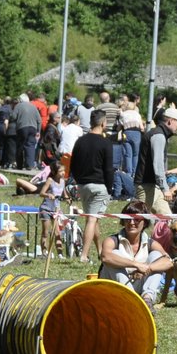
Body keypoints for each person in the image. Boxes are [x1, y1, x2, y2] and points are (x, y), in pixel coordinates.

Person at [98, 199, 173, 308]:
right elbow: (105, 257)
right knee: (115, 253)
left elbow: (168, 262)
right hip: (114, 288)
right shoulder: (112, 240)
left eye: (137, 219)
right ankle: (131, 299)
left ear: (145, 222)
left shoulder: (151, 243)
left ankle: (147, 299)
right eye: (128, 219)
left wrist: (148, 268)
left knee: (157, 256)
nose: (132, 223)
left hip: (137, 284)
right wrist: (136, 264)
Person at [70, 108, 116, 261]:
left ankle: (100, 251)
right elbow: (109, 169)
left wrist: (79, 182)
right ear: (103, 123)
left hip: (83, 186)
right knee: (92, 219)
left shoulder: (80, 141)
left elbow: (73, 165)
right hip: (99, 186)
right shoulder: (105, 143)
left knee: (93, 219)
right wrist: (110, 188)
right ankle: (84, 255)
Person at [138, 106, 177, 216]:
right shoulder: (159, 136)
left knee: (168, 219)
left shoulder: (158, 134)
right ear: (170, 121)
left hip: (153, 186)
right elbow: (158, 164)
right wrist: (165, 188)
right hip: (146, 186)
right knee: (140, 221)